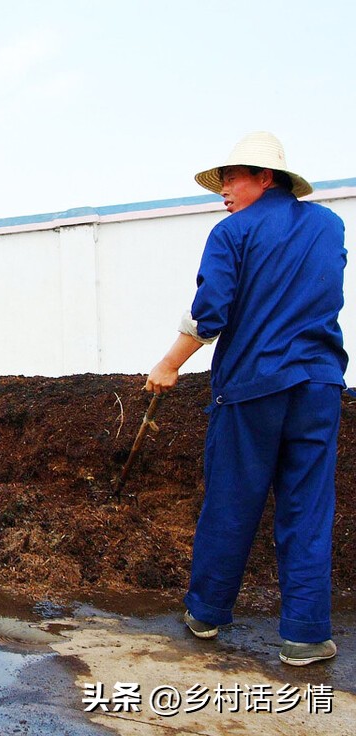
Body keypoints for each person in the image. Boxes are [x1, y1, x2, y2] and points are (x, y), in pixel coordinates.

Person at [145, 132, 346, 666]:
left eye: (233, 178)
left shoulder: (230, 232)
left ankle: (207, 613)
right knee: (308, 508)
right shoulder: (330, 226)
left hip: (254, 387)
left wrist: (168, 365)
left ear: (266, 177)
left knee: (233, 501)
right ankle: (305, 635)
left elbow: (211, 312)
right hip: (319, 386)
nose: (225, 191)